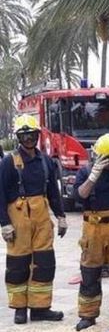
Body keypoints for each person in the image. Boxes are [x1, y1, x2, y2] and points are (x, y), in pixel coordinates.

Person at [0, 114, 67, 324]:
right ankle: (20, 308)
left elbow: (53, 193)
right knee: (19, 263)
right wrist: (5, 224)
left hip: (41, 218)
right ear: (19, 138)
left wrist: (61, 216)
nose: (29, 139)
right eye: (24, 135)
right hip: (18, 218)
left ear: (37, 135)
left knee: (44, 263)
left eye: (32, 135)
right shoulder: (9, 162)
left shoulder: (46, 161)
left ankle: (40, 308)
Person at [73, 134, 109, 331]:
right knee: (90, 273)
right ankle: (88, 315)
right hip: (93, 228)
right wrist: (92, 178)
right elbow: (79, 196)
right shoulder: (86, 172)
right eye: (108, 159)